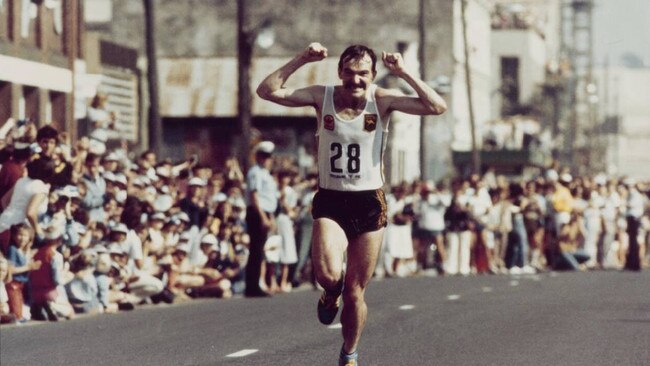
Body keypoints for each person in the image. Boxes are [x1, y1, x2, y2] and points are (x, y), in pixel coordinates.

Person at [257, 42, 447, 365]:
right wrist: (303, 58)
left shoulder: (382, 100)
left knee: (356, 291)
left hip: (369, 201)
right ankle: (330, 292)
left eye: (363, 75)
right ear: (339, 73)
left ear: (373, 76)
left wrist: (404, 74)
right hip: (331, 198)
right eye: (349, 73)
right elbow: (267, 90)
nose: (355, 81)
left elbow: (436, 106)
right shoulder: (323, 96)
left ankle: (349, 354)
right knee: (330, 276)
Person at [244, 141, 279, 297]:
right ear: (257, 157)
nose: (266, 159)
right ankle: (251, 286)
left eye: (268, 157)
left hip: (265, 213)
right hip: (257, 213)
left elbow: (269, 199)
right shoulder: (255, 172)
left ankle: (255, 284)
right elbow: (255, 196)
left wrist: (270, 217)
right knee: (256, 250)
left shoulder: (266, 174)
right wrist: (263, 217)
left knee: (260, 250)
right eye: (263, 156)